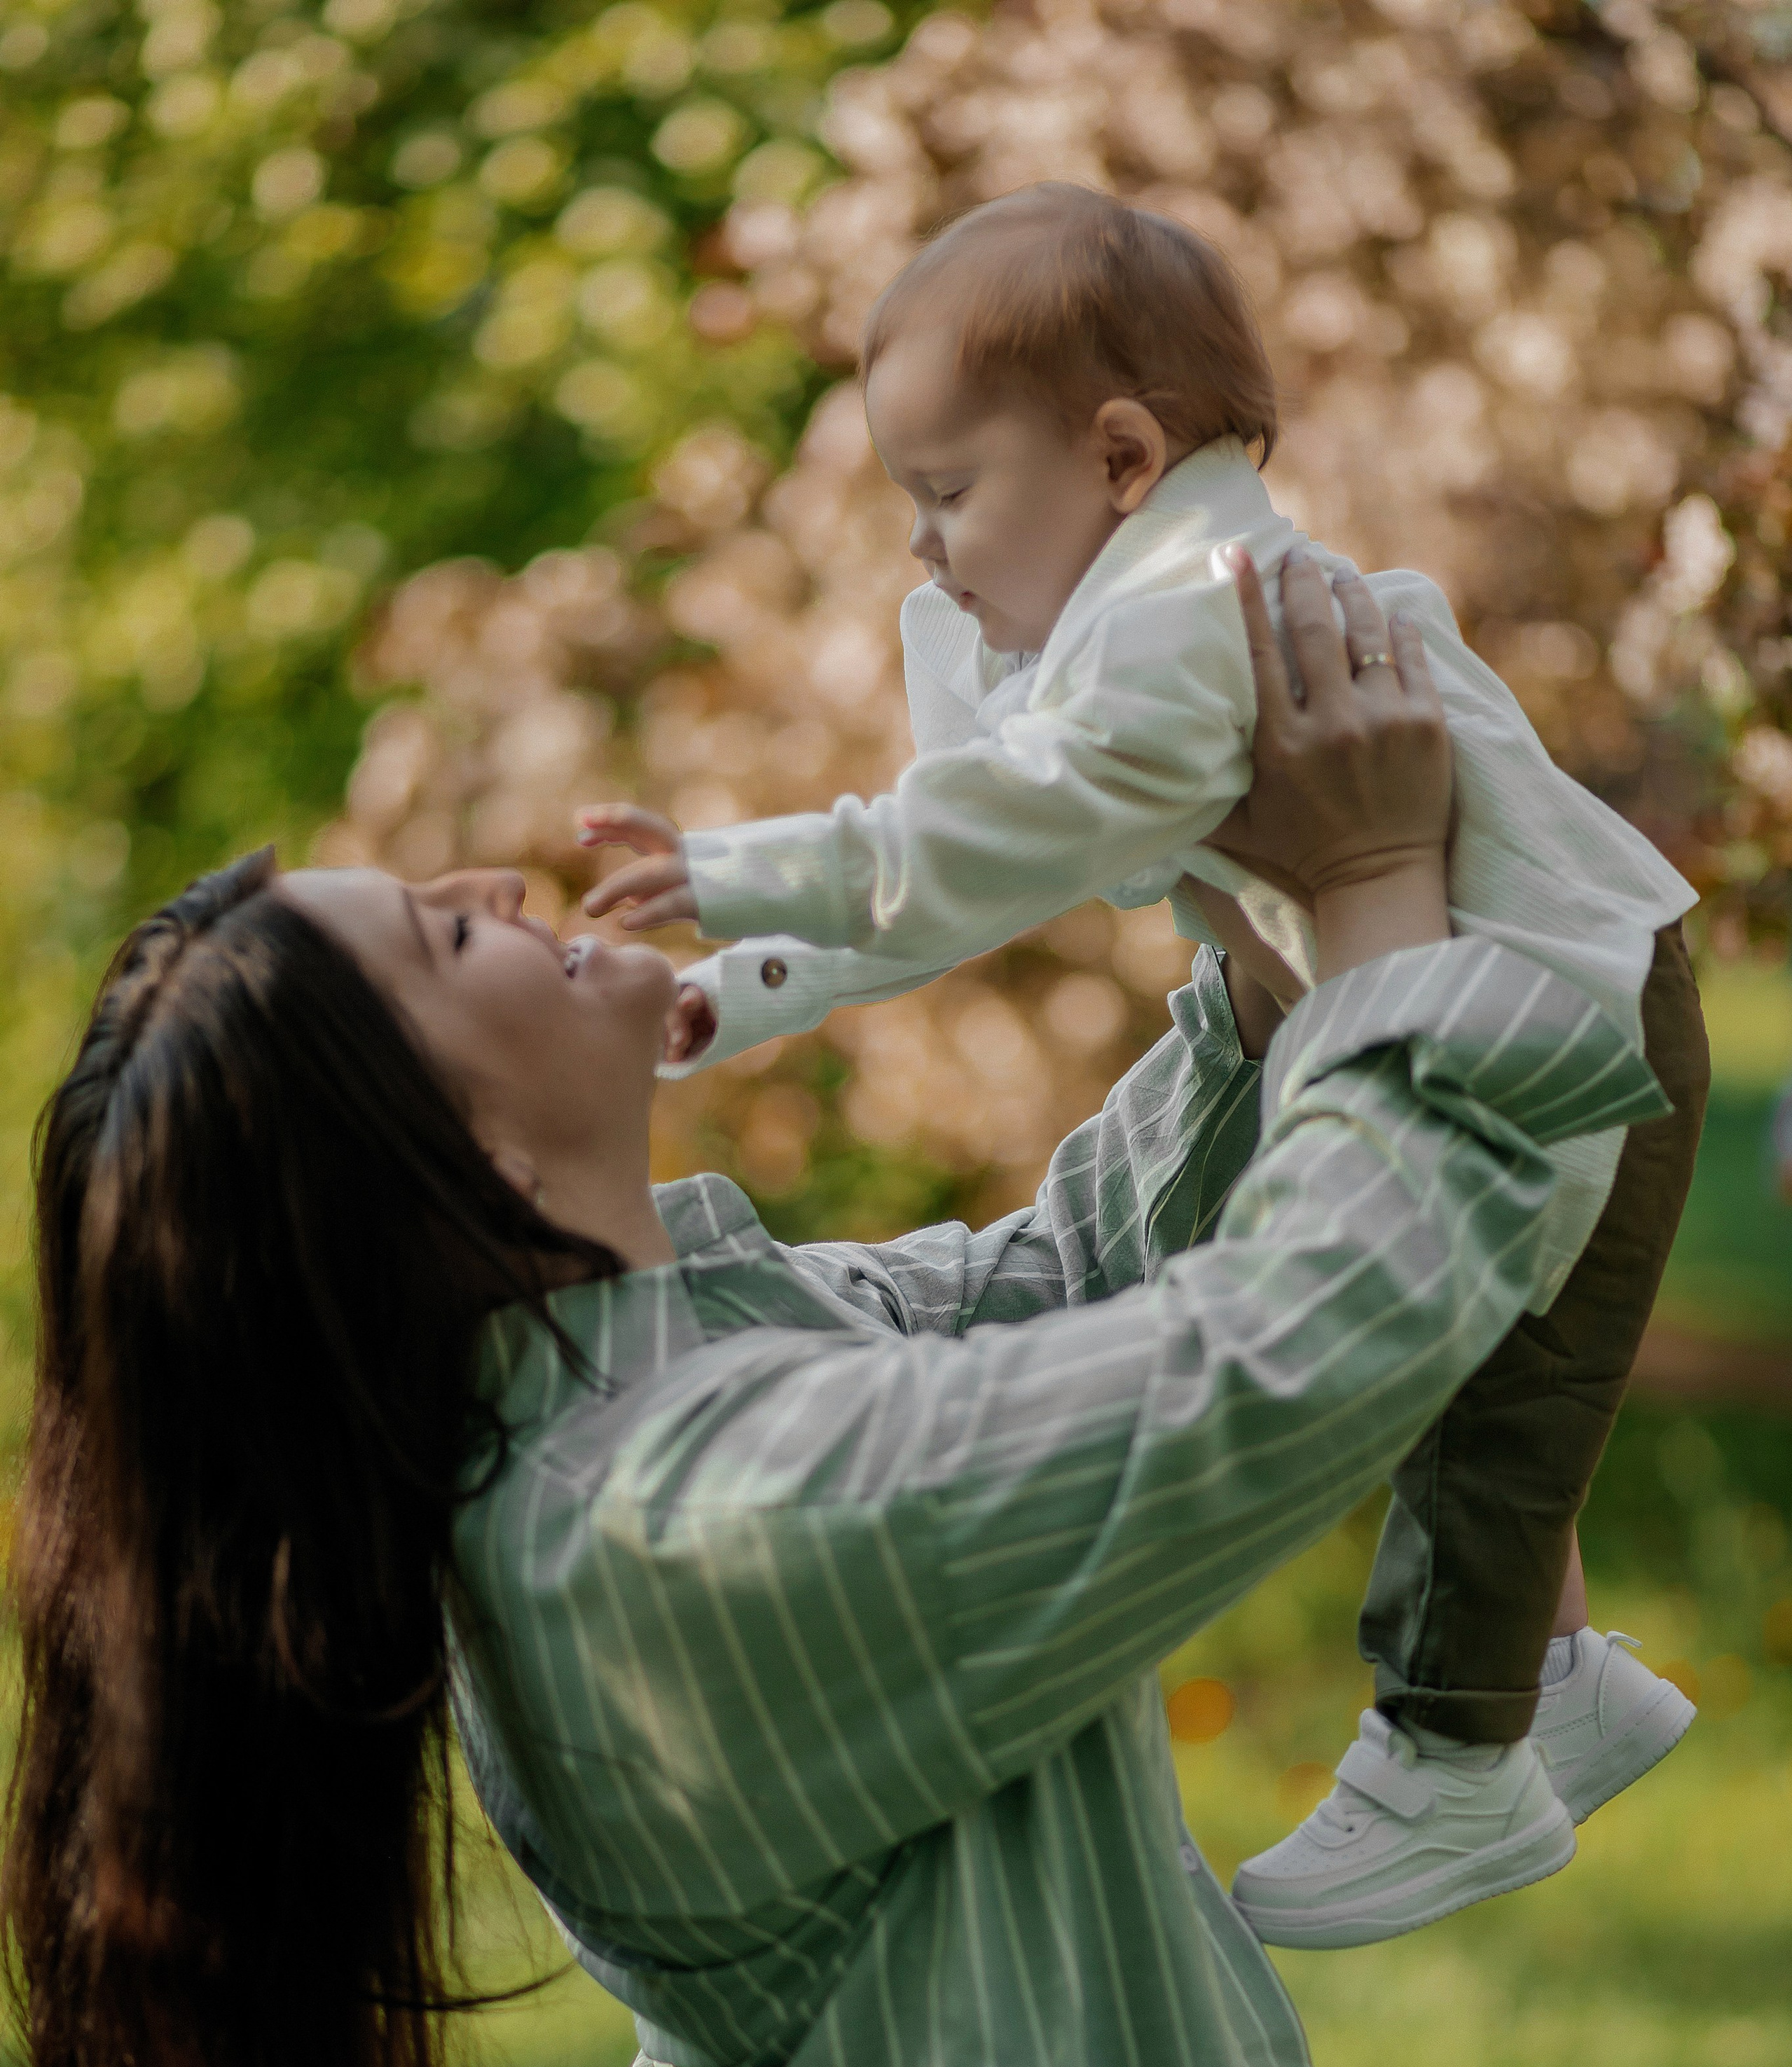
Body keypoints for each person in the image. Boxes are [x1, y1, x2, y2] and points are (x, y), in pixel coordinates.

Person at [4, 562, 1662, 2067]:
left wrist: (1244, 922)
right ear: (443, 1148)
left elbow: (1079, 1279)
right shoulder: (684, 1516)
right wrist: (1371, 912)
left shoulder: (681, 1375)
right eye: (435, 932)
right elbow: (1286, 1356)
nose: (500, 881)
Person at [579, 182, 1709, 1951]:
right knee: (1485, 1378)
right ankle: (1564, 1687)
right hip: (1416, 987)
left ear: (1118, 457)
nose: (923, 553)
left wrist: (743, 867)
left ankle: (1459, 1758)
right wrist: (748, 987)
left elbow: (993, 830)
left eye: (947, 496)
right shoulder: (1126, 606)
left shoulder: (1199, 602)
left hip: (1548, 1016)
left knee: (1471, 1378)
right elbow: (976, 853)